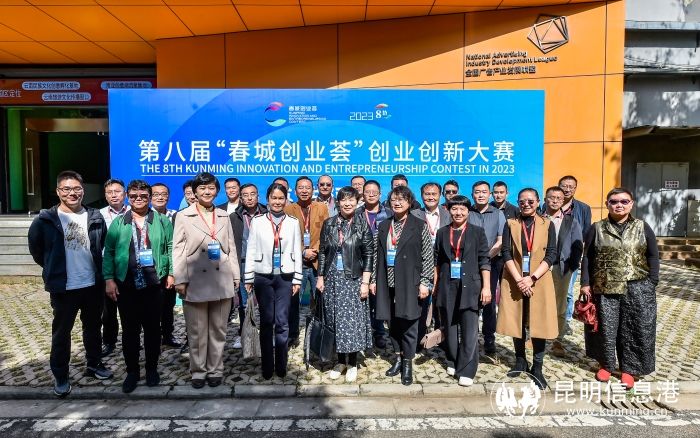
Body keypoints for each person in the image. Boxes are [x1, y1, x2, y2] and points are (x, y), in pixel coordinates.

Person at [28, 170, 113, 397]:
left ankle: (94, 364)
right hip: (63, 287)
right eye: (66, 189)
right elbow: (37, 250)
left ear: (83, 191)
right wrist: (53, 268)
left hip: (92, 284)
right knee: (61, 333)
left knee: (93, 328)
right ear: (58, 191)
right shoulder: (45, 220)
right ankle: (61, 375)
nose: (72, 193)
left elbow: (102, 247)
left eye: (76, 189)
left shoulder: (94, 216)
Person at [580, 188, 659, 389]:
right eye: (614, 201)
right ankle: (606, 365)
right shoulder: (597, 228)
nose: (619, 205)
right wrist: (585, 283)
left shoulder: (642, 227)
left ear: (631, 204)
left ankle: (629, 369)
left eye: (624, 201)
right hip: (604, 287)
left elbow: (653, 255)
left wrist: (653, 281)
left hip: (637, 287)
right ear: (607, 204)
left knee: (634, 328)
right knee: (605, 328)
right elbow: (587, 257)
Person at [103, 180, 174, 393]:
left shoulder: (161, 220)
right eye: (134, 196)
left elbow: (171, 247)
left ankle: (152, 369)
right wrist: (109, 279)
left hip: (154, 284)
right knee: (130, 331)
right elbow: (109, 251)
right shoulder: (119, 222)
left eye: (143, 196)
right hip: (127, 285)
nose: (138, 199)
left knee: (153, 329)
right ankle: (132, 371)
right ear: (128, 196)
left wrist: (171, 272)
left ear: (149, 197)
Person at [173, 172, 240, 389]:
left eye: (211, 188)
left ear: (217, 191)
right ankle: (198, 370)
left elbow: (230, 247)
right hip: (195, 280)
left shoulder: (223, 215)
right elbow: (178, 249)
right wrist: (180, 278)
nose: (207, 192)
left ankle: (215, 369)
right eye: (202, 188)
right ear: (194, 191)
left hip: (221, 277)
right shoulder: (184, 216)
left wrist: (236, 275)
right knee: (197, 331)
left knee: (218, 329)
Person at [496, 188, 558, 390]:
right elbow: (506, 252)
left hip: (539, 280)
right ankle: (520, 360)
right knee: (517, 320)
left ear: (538, 202)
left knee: (539, 323)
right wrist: (519, 280)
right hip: (514, 278)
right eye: (522, 201)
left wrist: (531, 278)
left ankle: (537, 367)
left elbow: (551, 254)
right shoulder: (511, 223)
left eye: (531, 201)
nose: (526, 204)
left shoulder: (547, 224)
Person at [372, 185, 433, 386]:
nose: (397, 203)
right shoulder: (383, 225)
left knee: (409, 324)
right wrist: (373, 280)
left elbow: (427, 256)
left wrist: (425, 282)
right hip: (386, 283)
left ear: (409, 202)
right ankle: (398, 358)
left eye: (401, 199)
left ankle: (408, 363)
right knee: (392, 324)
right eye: (394, 200)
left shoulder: (419, 225)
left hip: (409, 282)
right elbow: (376, 255)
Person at [244, 183, 303, 379]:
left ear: (286, 200)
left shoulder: (293, 222)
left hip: (285, 277)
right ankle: (267, 365)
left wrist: (297, 278)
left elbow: (297, 250)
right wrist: (249, 276)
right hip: (263, 276)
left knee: (282, 321)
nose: (277, 202)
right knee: (267, 321)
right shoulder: (258, 221)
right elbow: (251, 248)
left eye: (281, 198)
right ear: (267, 199)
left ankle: (281, 364)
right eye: (274, 198)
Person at [316, 186, 374, 383]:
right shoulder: (329, 224)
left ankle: (353, 363)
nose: (348, 204)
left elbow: (368, 254)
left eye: (351, 200)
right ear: (338, 202)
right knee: (335, 320)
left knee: (352, 322)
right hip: (332, 278)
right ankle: (340, 361)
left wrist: (365, 282)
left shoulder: (362, 224)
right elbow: (322, 251)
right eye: (344, 200)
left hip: (354, 279)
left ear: (357, 202)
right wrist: (320, 277)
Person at [434, 195, 491, 386]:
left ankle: (467, 368)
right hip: (447, 285)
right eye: (454, 209)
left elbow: (484, 260)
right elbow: (437, 261)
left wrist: (486, 287)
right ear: (449, 211)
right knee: (449, 326)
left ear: (468, 211)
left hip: (470, 285)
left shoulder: (477, 232)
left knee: (469, 329)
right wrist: (435, 285)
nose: (458, 213)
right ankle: (452, 359)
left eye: (462, 209)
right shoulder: (442, 232)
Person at [284, 176, 329, 347]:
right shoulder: (288, 209)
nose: (304, 191)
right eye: (301, 188)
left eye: (307, 188)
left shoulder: (321, 207)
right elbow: (287, 236)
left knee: (321, 301)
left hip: (318, 262)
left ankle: (321, 336)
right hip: (297, 263)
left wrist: (314, 250)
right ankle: (292, 335)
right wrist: (303, 251)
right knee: (292, 302)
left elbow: (326, 231)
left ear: (313, 190)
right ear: (295, 191)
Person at [541, 186, 583, 357]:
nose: (555, 200)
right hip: (540, 268)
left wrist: (571, 267)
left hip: (561, 268)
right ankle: (537, 336)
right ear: (545, 199)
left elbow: (578, 245)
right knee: (539, 303)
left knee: (560, 304)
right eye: (551, 197)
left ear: (563, 200)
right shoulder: (537, 219)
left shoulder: (570, 221)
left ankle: (557, 339)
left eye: (559, 198)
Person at [411, 182, 451, 352]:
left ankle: (442, 340)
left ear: (440, 195)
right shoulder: (413, 214)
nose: (431, 197)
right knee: (420, 305)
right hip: (421, 266)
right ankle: (418, 341)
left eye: (434, 194)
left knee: (442, 304)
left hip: (444, 265)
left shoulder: (448, 214)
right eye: (427, 194)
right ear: (422, 196)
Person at [468, 181, 506, 356]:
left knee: (488, 301)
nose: (481, 195)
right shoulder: (468, 213)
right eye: (477, 192)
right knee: (470, 301)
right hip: (469, 265)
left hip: (492, 263)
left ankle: (489, 337)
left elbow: (500, 241)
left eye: (484, 192)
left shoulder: (498, 214)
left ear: (489, 194)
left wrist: (484, 258)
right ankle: (471, 336)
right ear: (472, 194)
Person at [230, 183, 267, 349]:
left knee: (266, 302)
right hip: (243, 263)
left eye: (253, 194)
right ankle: (244, 334)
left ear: (258, 196)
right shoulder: (234, 217)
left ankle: (266, 333)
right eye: (245, 195)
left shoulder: (267, 213)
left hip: (264, 263)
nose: (250, 198)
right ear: (240, 198)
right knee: (244, 303)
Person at [357, 179, 392, 348]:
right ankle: (362, 333)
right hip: (360, 262)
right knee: (361, 299)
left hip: (382, 262)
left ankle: (379, 333)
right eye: (367, 192)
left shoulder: (389, 214)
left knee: (378, 299)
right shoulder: (356, 213)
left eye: (374, 192)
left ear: (380, 194)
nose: (371, 195)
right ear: (362, 194)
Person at [99, 178, 129, 358]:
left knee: (131, 309)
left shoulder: (133, 212)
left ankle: (131, 340)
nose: (113, 195)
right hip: (107, 268)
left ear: (124, 194)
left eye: (117, 191)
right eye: (109, 192)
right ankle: (109, 342)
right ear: (105, 195)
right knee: (108, 311)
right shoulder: (98, 215)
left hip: (128, 268)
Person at [558, 175, 591, 329]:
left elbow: (585, 234)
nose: (567, 189)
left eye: (571, 187)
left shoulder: (584, 208)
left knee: (568, 292)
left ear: (575, 189)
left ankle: (566, 322)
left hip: (571, 256)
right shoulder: (549, 205)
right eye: (564, 186)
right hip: (551, 257)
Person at [151, 182, 180, 348]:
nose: (160, 197)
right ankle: (152, 336)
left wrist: (173, 271)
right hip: (150, 269)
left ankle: (168, 335)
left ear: (168, 196)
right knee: (150, 307)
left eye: (163, 194)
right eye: (156, 194)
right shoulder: (143, 216)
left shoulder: (176, 215)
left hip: (170, 266)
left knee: (169, 304)